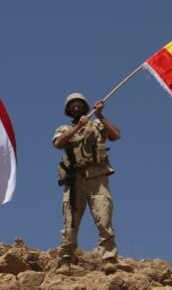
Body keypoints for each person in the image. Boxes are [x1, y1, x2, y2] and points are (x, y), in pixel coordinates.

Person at [52, 92, 123, 271]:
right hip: (75, 181)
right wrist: (77, 128)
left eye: (79, 104)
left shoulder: (97, 124)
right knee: (70, 222)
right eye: (73, 105)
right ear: (69, 110)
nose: (76, 107)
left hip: (97, 179)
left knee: (104, 218)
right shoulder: (63, 129)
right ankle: (66, 260)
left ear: (85, 107)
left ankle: (108, 259)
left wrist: (99, 115)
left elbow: (115, 135)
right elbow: (58, 143)